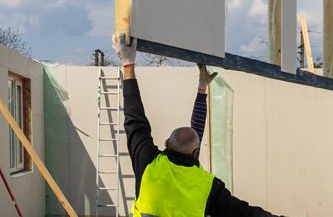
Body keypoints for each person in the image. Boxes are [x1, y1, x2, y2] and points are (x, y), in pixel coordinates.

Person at [113, 32, 282, 217]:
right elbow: (247, 214)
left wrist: (128, 63)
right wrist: (201, 88)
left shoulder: (149, 164)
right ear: (195, 152)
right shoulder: (207, 187)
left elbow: (135, 118)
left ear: (167, 142)